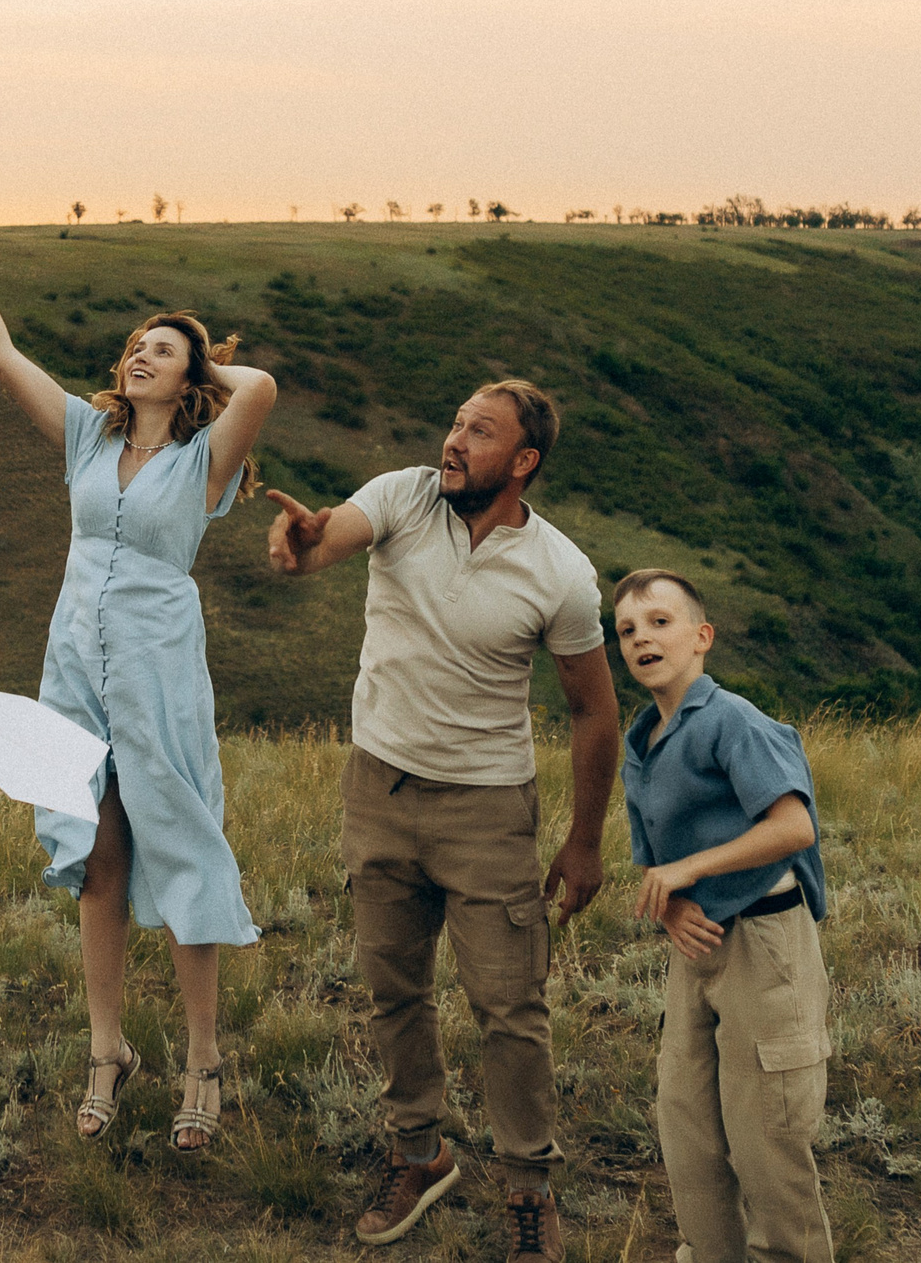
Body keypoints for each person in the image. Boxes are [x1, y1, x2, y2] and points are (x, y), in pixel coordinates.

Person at [0, 194, 276, 1152]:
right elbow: (1, 358)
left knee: (181, 848)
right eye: (136, 346)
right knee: (97, 857)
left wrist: (200, 354)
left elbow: (263, 386)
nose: (139, 355)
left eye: (161, 350)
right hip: (74, 665)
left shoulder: (204, 457)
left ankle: (202, 1059)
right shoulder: (89, 435)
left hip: (158, 670)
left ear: (190, 376)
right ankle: (107, 1050)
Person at [267, 379, 618, 1263]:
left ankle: (529, 1188)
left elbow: (593, 711)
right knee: (393, 986)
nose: (454, 439)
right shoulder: (404, 495)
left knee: (509, 1005)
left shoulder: (561, 573)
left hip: (487, 808)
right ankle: (419, 1154)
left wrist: (584, 839)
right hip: (378, 787)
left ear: (524, 460)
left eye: (479, 431)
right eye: (456, 421)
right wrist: (304, 544)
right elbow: (331, 538)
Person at [614, 568, 833, 1263]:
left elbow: (793, 826)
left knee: (766, 1130)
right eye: (627, 630)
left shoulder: (733, 719)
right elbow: (655, 862)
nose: (642, 638)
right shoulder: (640, 741)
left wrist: (692, 871)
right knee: (689, 1128)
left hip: (763, 939)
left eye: (660, 621)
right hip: (697, 948)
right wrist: (672, 906)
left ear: (701, 636)